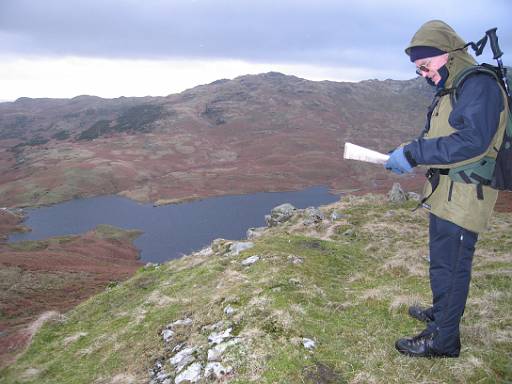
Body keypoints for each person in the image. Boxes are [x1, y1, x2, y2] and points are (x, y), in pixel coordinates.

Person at [384, 20, 509, 358]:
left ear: (449, 55)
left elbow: (472, 142)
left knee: (452, 267)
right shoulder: (452, 86)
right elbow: (443, 137)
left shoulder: (478, 85)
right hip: (447, 193)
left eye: (425, 65)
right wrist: (411, 151)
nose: (423, 74)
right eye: (418, 69)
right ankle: (442, 314)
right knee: (442, 263)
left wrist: (414, 153)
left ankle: (444, 340)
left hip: (466, 196)